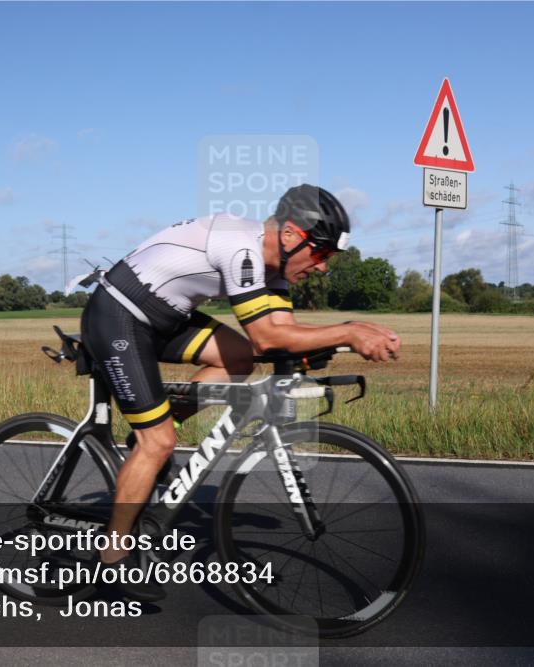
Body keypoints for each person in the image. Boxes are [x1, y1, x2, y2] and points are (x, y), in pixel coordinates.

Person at [79, 184, 401, 601]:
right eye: (320, 254)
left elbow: (284, 336)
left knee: (240, 358)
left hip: (168, 317)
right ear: (289, 235)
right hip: (118, 314)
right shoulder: (241, 248)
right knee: (160, 442)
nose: (322, 268)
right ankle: (113, 558)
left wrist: (339, 338)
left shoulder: (276, 270)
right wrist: (347, 331)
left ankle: (150, 435)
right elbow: (269, 337)